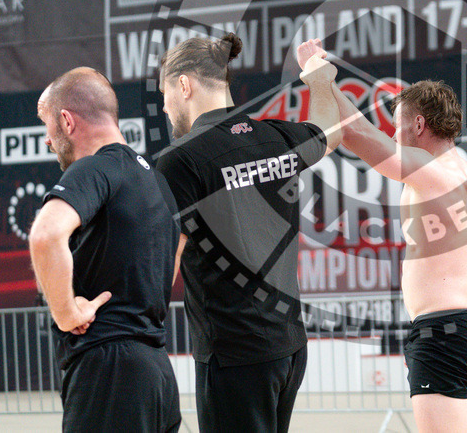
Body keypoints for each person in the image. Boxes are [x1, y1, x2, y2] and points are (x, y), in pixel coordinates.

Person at [295, 39, 467, 433]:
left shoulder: (430, 169)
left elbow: (356, 136)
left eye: (397, 123)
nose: (393, 131)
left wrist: (318, 75)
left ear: (419, 124)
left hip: (443, 333)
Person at [155, 34, 342, 433]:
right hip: (289, 348)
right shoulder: (275, 138)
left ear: (184, 85)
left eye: (165, 94)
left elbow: (166, 258)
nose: (167, 108)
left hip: (234, 356)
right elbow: (332, 131)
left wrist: (135, 331)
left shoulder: (180, 160)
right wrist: (318, 76)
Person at [28, 67, 181, 433]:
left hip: (108, 372)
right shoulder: (155, 179)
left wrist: (66, 313)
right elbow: (176, 253)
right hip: (156, 372)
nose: (48, 141)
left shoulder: (94, 169)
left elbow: (46, 235)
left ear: (66, 121)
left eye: (47, 126)